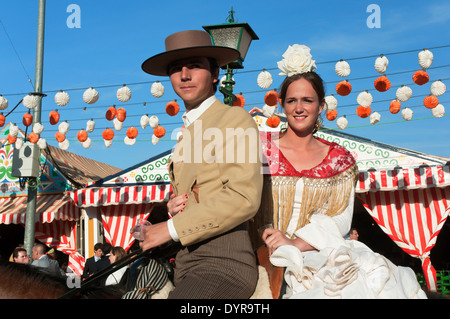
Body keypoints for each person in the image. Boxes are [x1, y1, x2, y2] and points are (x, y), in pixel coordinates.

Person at [250, 44, 426, 299]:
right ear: (282, 106)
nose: (299, 108)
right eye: (291, 101)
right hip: (259, 249)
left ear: (320, 106)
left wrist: (295, 244)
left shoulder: (339, 158)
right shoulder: (259, 150)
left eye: (307, 100)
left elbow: (340, 218)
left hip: (319, 252)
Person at [137, 29, 263, 298]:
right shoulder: (187, 133)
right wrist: (171, 210)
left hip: (223, 262)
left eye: (194, 66)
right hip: (186, 263)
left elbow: (243, 197)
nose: (184, 75)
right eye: (175, 69)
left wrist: (169, 230)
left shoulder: (233, 119)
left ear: (215, 73)